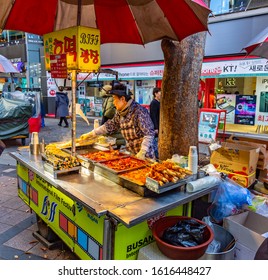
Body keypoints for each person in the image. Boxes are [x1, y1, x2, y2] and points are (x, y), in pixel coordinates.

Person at [80, 82, 155, 159]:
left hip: (145, 155)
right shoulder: (120, 113)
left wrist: (143, 151)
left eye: (114, 99)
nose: (113, 102)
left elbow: (149, 134)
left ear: (122, 99)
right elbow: (109, 125)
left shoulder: (139, 111)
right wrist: (92, 133)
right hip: (132, 153)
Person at [149, 87, 161, 159]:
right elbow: (153, 115)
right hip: (156, 126)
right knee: (156, 143)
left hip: (159, 125)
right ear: (155, 94)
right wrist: (155, 127)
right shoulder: (154, 103)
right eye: (160, 92)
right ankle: (156, 157)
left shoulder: (159, 102)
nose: (161, 94)